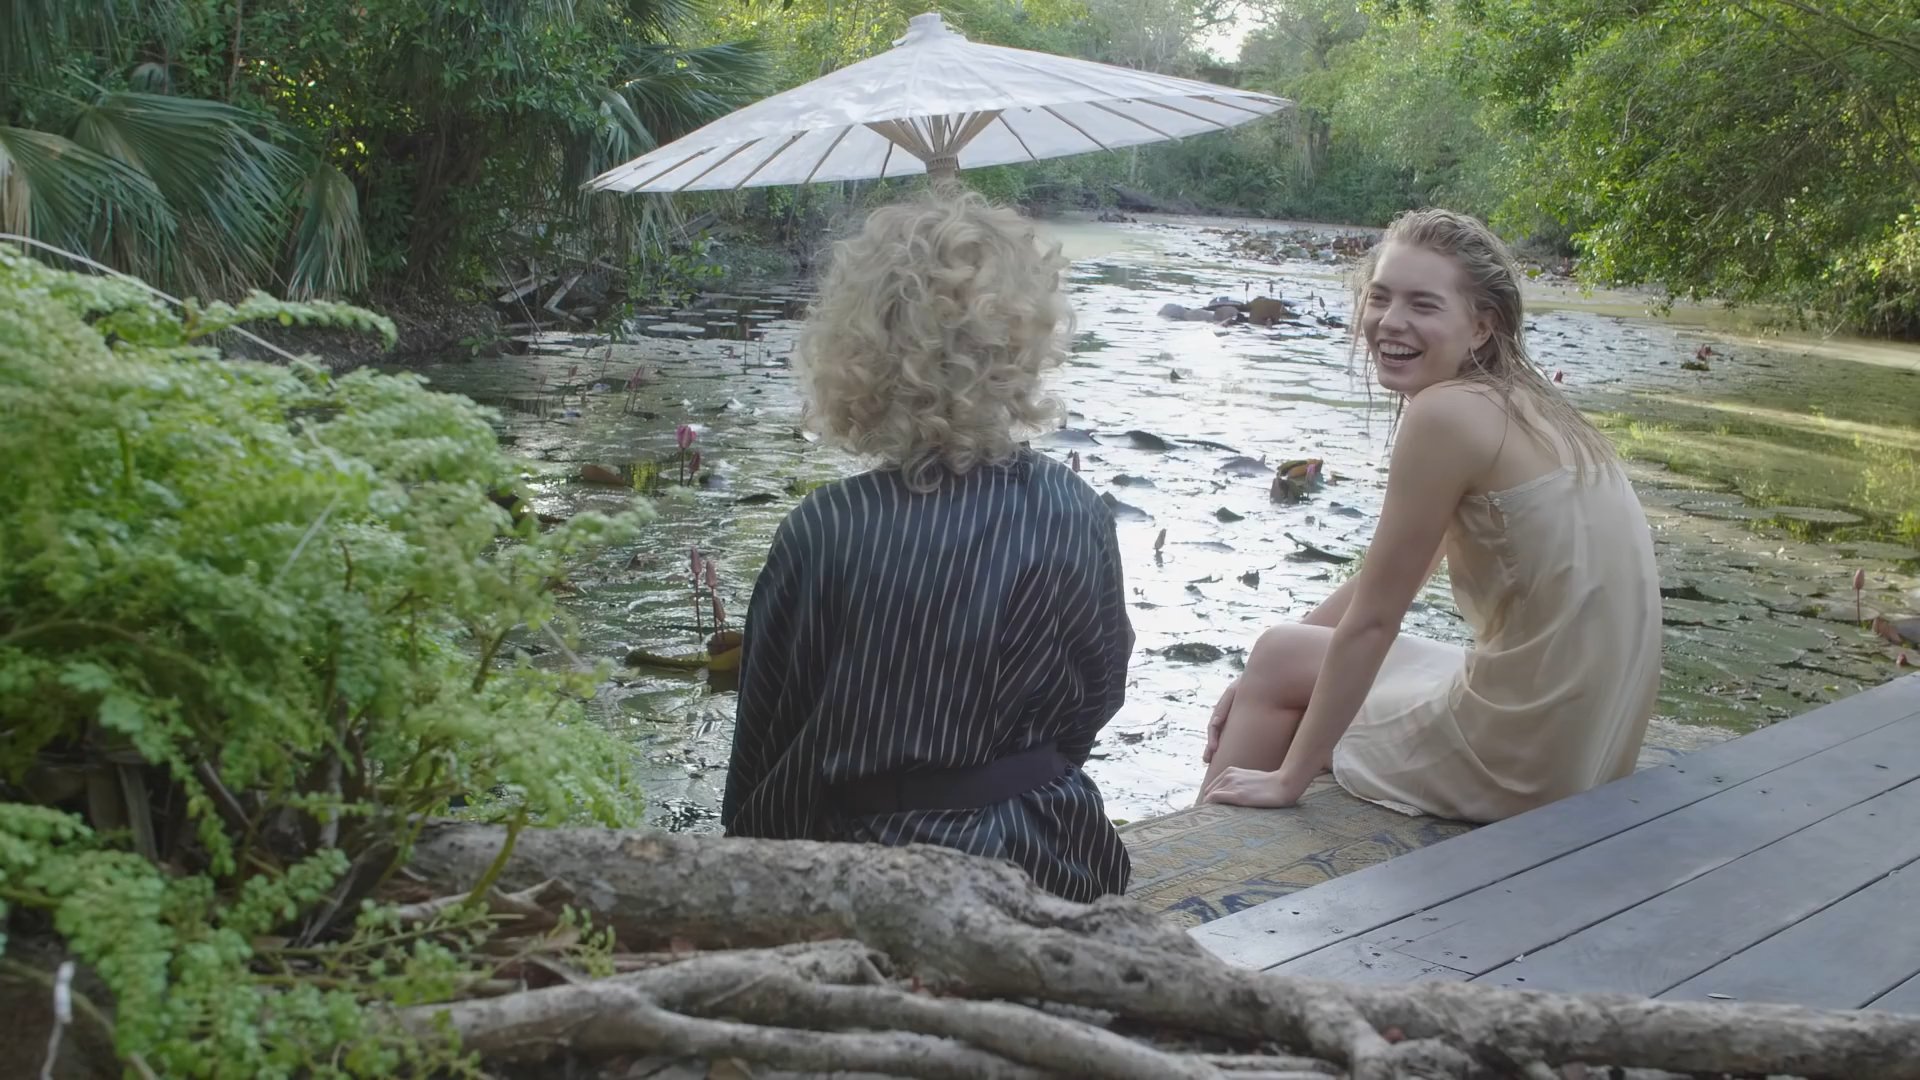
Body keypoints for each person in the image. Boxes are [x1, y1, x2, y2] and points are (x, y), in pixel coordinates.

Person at [721, 190, 1135, 902]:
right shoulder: (1076, 509)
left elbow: (771, 738)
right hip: (1052, 858)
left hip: (874, 880)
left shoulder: (826, 528)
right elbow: (1096, 696)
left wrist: (751, 871)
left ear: (860, 351)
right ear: (1022, 343)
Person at [1198, 208, 1661, 822]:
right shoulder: (1534, 403)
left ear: (1481, 327)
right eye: (1380, 297)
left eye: (1423, 305)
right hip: (1591, 745)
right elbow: (1395, 579)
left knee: (1281, 656)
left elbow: (1375, 620)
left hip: (1519, 760)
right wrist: (1262, 675)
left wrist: (1291, 777)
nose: (1391, 321)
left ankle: (1200, 852)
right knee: (1282, 655)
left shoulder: (1444, 414)